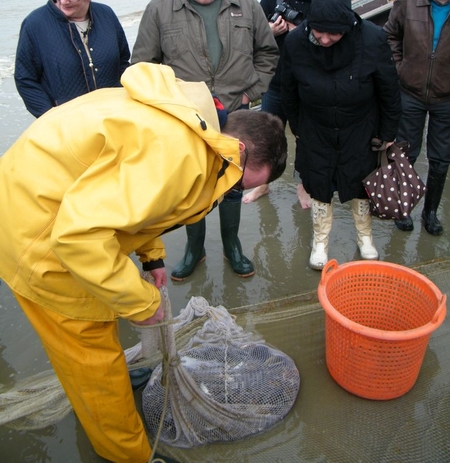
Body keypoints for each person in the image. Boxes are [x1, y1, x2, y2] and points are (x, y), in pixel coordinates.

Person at [0, 63, 287, 463]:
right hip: (36, 236)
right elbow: (76, 237)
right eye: (239, 182)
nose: (234, 190)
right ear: (238, 149)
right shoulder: (180, 155)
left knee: (107, 315)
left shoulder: (190, 116)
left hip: (37, 194)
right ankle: (129, 455)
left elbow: (133, 195)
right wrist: (141, 303)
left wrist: (151, 255)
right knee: (93, 359)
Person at [131, 0, 279, 281]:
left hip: (235, 115)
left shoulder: (246, 3)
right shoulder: (159, 8)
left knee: (231, 183)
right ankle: (194, 250)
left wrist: (249, 95)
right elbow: (142, 68)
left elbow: (268, 53)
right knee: (192, 187)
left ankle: (232, 247)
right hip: (185, 122)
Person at [282, 0, 402, 269]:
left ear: (348, 26)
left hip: (360, 129)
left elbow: (389, 91)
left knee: (361, 185)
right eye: (319, 31)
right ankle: (320, 242)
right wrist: (299, 128)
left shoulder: (372, 39)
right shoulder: (296, 41)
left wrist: (387, 133)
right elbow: (287, 90)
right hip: (316, 128)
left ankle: (365, 237)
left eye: (333, 33)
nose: (324, 39)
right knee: (319, 185)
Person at [243, 0, 326, 207]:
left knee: (306, 137)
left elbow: (340, 39)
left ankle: (302, 185)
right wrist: (271, 30)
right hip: (276, 82)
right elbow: (249, 32)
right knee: (267, 137)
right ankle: (263, 184)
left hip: (310, 85)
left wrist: (300, 33)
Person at [14, 0, 130, 118]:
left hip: (111, 120)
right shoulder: (35, 24)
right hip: (65, 129)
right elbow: (25, 80)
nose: (63, 0)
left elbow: (123, 62)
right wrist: (51, 117)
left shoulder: (107, 15)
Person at [384, 0, 450, 235]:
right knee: (405, 154)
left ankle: (431, 213)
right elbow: (390, 36)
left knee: (440, 159)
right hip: (409, 91)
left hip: (446, 97)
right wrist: (400, 68)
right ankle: (403, 207)